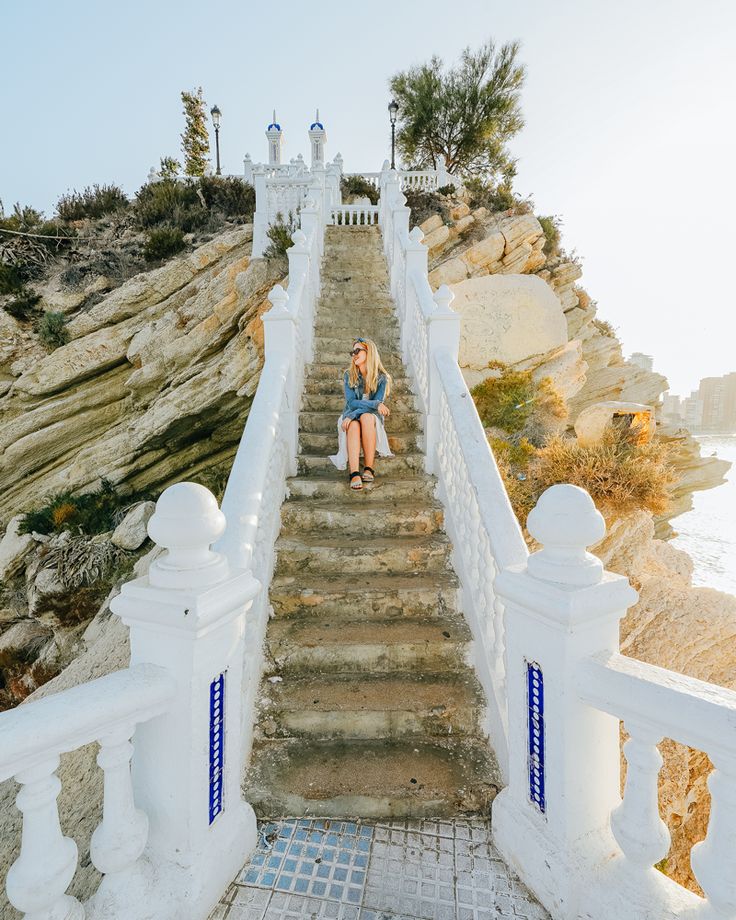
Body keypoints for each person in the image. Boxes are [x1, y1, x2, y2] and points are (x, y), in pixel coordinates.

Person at [327, 337, 394, 490]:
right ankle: (354, 472)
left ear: (368, 351)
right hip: (350, 416)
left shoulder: (382, 378)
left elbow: (373, 410)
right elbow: (352, 402)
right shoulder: (348, 375)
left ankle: (369, 468)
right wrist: (375, 405)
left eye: (357, 350)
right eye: (352, 352)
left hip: (369, 419)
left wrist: (357, 412)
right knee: (355, 426)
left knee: (366, 417)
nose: (354, 354)